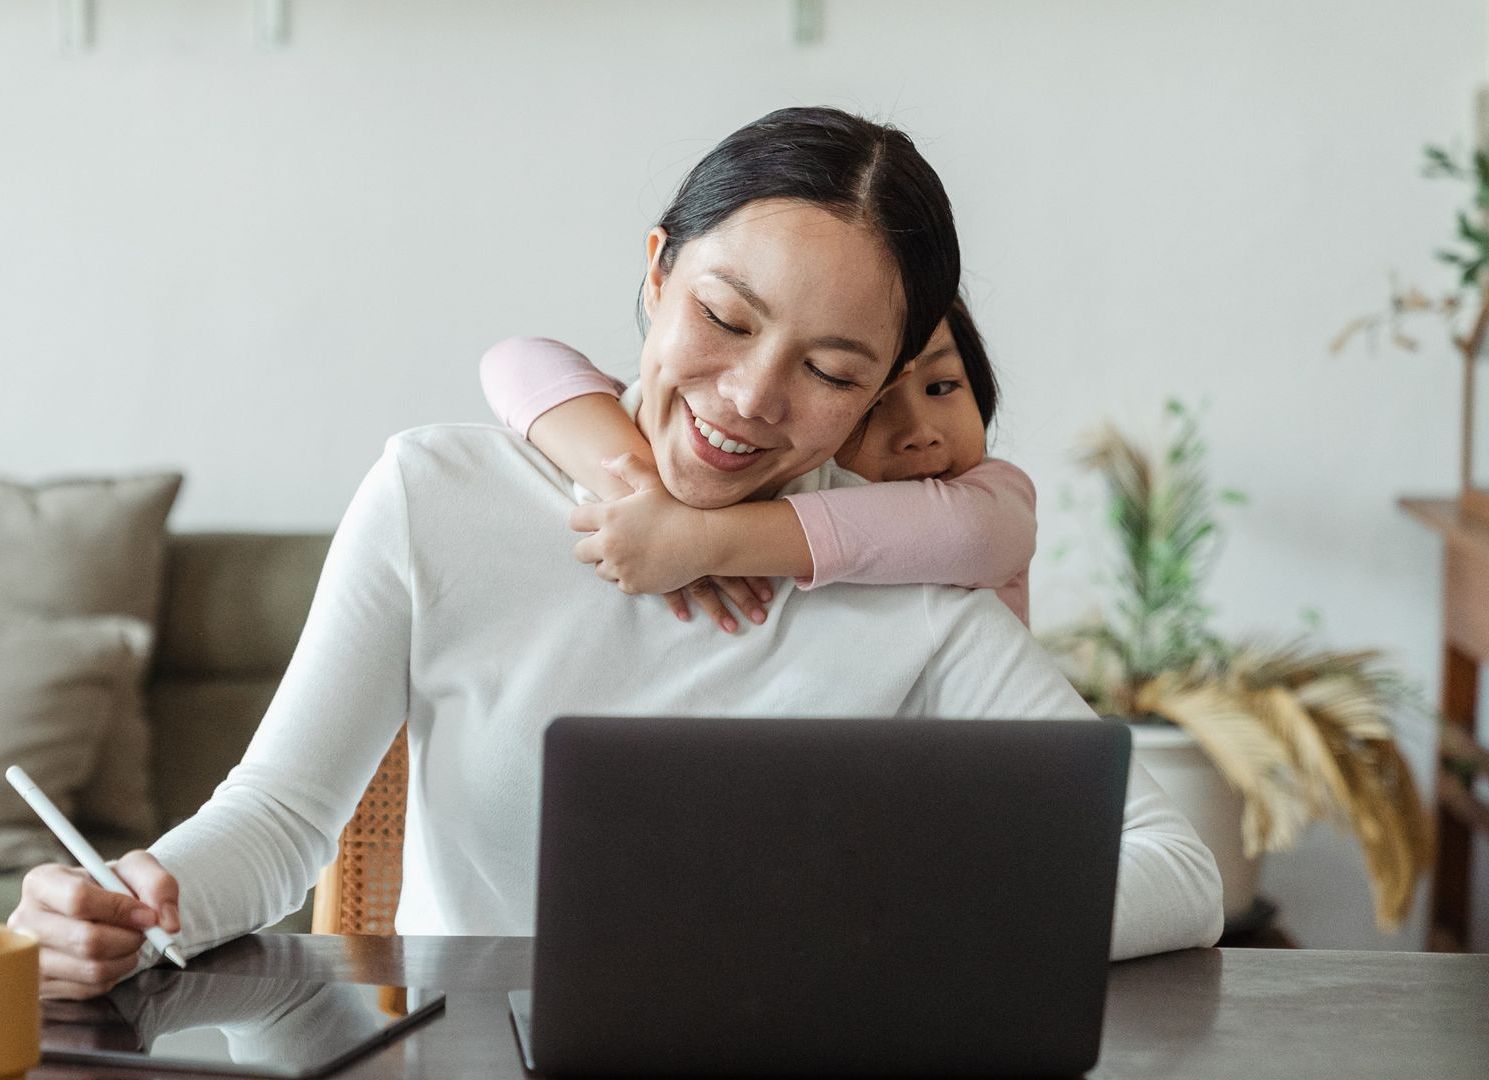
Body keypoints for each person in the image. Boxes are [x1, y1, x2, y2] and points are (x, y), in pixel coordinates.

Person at [7, 106, 1223, 1000]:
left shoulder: (909, 586)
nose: (749, 398)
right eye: (725, 318)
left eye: (831, 371)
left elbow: (1177, 870)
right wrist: (128, 899)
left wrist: (901, 922)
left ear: (881, 393)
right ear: (655, 275)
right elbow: (277, 823)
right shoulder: (439, 495)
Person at [478, 294, 1037, 628]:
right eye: (872, 406)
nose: (920, 433)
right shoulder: (784, 479)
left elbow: (972, 535)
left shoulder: (993, 496)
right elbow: (517, 360)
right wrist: (639, 492)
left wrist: (700, 540)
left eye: (943, 387)